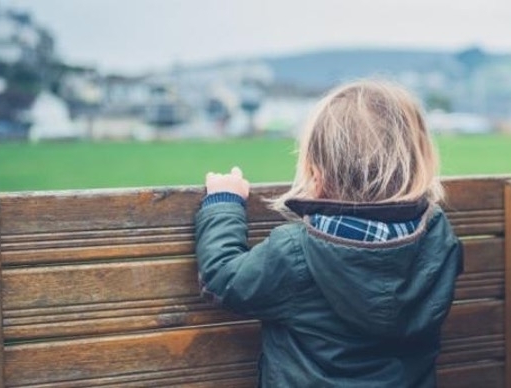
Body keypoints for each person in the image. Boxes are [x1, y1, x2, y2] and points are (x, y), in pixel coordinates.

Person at [194, 79, 463, 387]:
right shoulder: (438, 241)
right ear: (417, 163)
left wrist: (223, 203)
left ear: (316, 173)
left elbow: (223, 280)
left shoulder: (297, 253)